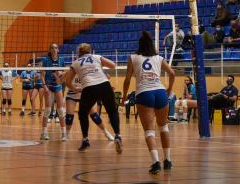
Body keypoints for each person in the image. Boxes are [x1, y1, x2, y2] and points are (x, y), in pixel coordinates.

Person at [122, 31, 175, 174]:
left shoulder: (133, 57)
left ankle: (156, 162)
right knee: (163, 128)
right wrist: (169, 89)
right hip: (160, 92)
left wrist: (124, 97)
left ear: (139, 45)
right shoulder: (158, 58)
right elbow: (172, 73)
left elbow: (127, 80)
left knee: (149, 131)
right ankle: (168, 161)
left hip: (144, 93)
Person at [66, 43, 122, 152]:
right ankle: (117, 135)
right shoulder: (96, 57)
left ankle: (85, 140)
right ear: (89, 51)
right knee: (112, 111)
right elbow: (113, 65)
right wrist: (99, 68)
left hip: (89, 87)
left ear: (79, 52)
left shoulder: (76, 63)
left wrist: (75, 88)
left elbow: (68, 82)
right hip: (104, 85)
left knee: (82, 114)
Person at [65, 72, 114, 142]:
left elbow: (107, 76)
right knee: (69, 116)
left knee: (94, 115)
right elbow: (63, 81)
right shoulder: (72, 70)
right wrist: (59, 77)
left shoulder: (87, 69)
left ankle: (106, 133)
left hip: (84, 95)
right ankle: (66, 134)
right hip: (72, 95)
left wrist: (104, 75)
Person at [40, 43, 67, 141]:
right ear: (50, 50)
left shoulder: (61, 60)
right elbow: (42, 75)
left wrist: (61, 73)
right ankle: (44, 132)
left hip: (58, 86)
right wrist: (44, 86)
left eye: (56, 48)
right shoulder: (45, 60)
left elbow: (65, 73)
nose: (54, 49)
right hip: (48, 86)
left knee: (60, 110)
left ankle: (64, 133)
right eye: (52, 48)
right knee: (47, 109)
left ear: (58, 50)